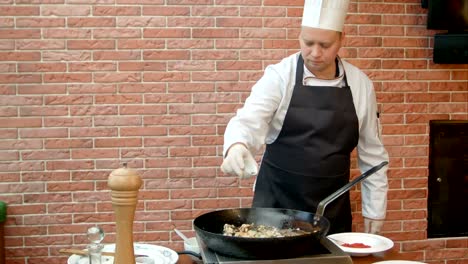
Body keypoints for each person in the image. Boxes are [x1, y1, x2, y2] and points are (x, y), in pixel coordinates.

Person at [220, 0, 389, 235]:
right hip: (275, 204)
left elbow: (373, 155)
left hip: (330, 208)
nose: (315, 53)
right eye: (308, 43)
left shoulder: (361, 85)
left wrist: (375, 209)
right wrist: (237, 145)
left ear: (341, 39)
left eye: (325, 45)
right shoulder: (280, 76)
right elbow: (248, 120)